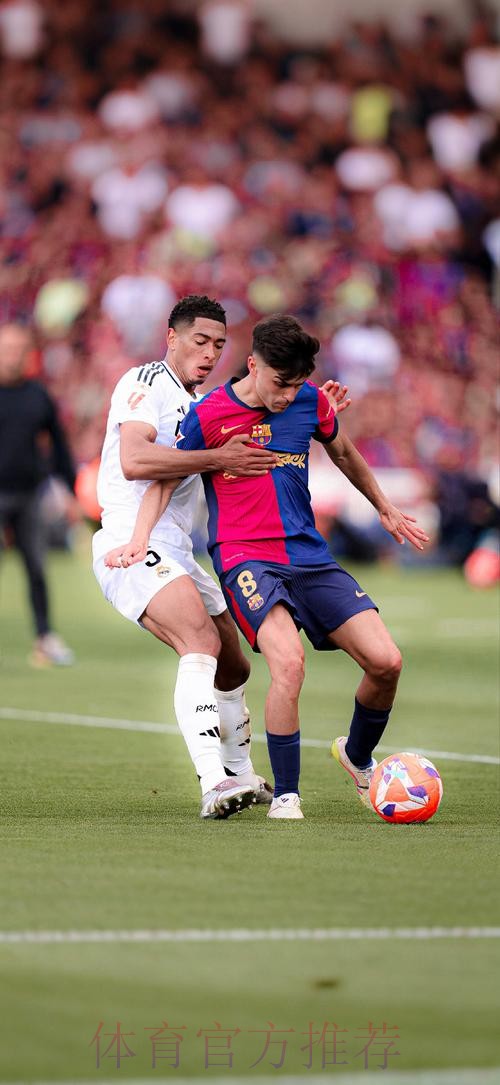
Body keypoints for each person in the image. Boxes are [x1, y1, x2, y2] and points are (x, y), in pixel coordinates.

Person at [106, 314, 428, 820]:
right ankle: (286, 795)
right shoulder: (210, 414)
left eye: (297, 385)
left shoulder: (310, 401)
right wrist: (139, 538)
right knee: (288, 663)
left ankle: (357, 756)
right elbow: (164, 479)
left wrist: (384, 507)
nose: (287, 395)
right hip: (246, 557)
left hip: (310, 557)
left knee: (387, 662)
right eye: (281, 383)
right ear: (254, 365)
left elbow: (344, 452)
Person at [93, 295, 281, 821]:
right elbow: (135, 459)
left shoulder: (200, 402)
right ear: (172, 338)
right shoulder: (144, 382)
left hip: (175, 548)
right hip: (129, 541)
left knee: (234, 664)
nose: (210, 353)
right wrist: (218, 457)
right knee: (199, 642)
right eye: (200, 341)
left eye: (219, 345)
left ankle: (240, 772)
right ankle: (213, 783)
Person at [0, 322, 77, 666]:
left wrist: (70, 491)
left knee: (36, 568)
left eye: (20, 349)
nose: (13, 356)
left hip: (29, 493)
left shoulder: (37, 395)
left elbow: (58, 445)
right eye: (8, 349)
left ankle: (45, 638)